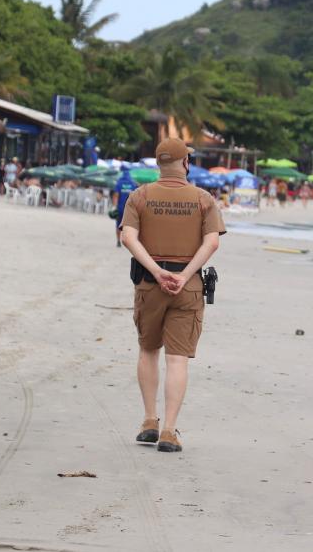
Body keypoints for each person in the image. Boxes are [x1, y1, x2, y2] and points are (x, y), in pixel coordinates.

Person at [120, 137, 225, 453]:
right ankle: (168, 430)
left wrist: (155, 271)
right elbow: (212, 242)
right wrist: (184, 274)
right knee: (177, 359)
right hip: (187, 286)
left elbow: (128, 237)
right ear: (185, 163)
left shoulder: (140, 196)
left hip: (150, 285)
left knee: (148, 350)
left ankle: (148, 421)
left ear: (158, 163)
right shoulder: (203, 198)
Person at [112, 166, 139, 247]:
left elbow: (116, 196)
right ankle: (128, 241)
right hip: (130, 209)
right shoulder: (133, 183)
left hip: (120, 208)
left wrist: (114, 207)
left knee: (118, 224)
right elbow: (136, 196)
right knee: (130, 226)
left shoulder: (119, 183)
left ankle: (118, 241)